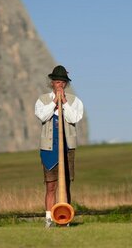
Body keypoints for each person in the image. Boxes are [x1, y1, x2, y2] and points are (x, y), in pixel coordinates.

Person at [35, 65, 84, 228]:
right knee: (51, 185)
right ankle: (49, 219)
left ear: (66, 84)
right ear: (52, 83)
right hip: (49, 147)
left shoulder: (74, 101)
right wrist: (54, 101)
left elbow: (74, 118)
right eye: (57, 82)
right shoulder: (42, 100)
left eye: (63, 83)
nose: (60, 86)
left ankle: (65, 218)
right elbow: (42, 115)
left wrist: (64, 102)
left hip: (67, 147)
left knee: (66, 184)